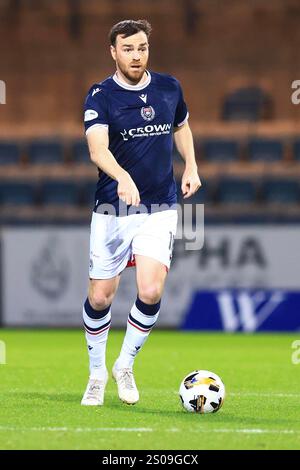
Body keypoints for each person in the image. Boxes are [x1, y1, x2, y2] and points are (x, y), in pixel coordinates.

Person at [81, 19, 201, 406]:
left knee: (150, 289)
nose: (137, 55)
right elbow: (98, 150)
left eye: (143, 47)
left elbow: (181, 126)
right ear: (113, 52)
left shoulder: (169, 86)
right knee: (101, 297)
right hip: (112, 207)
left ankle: (125, 364)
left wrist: (192, 166)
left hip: (160, 205)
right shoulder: (100, 95)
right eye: (128, 49)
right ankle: (97, 372)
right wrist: (121, 176)